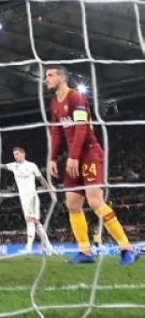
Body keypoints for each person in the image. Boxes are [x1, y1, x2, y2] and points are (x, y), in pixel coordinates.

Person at [45, 65, 137, 265]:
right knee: (72, 204)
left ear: (62, 78)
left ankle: (127, 248)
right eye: (46, 76)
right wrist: (52, 158)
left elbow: (81, 127)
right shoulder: (54, 103)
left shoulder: (76, 97)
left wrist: (74, 156)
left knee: (95, 201)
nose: (47, 79)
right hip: (74, 156)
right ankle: (86, 252)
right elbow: (56, 131)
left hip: (89, 153)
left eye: (50, 75)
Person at [0, 146, 54, 254]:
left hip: (32, 196)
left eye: (18, 154)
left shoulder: (31, 165)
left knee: (29, 220)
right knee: (37, 223)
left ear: (23, 154)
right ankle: (50, 247)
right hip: (23, 198)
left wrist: (50, 190)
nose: (16, 156)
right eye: (14, 154)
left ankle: (28, 248)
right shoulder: (14, 166)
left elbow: (41, 179)